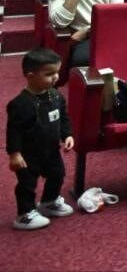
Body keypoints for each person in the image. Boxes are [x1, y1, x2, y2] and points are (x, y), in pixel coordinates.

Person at [6, 48, 75, 231]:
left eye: (57, 72)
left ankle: (49, 202)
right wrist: (14, 154)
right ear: (30, 75)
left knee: (57, 174)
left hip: (51, 150)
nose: (55, 77)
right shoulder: (20, 104)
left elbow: (63, 118)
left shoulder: (56, 96)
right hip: (28, 154)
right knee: (27, 184)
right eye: (49, 74)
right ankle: (25, 214)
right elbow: (13, 131)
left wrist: (67, 134)